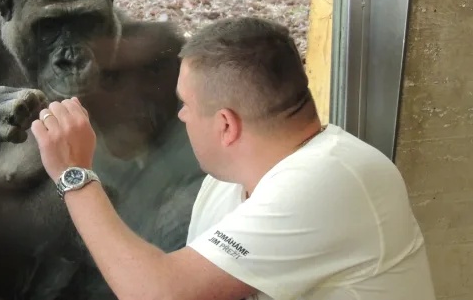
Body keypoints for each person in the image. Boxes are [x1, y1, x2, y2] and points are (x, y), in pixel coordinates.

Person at [30, 16, 436, 300]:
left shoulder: (335, 178)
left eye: (185, 104)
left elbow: (158, 292)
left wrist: (74, 175)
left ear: (226, 125)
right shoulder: (226, 183)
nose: (180, 116)